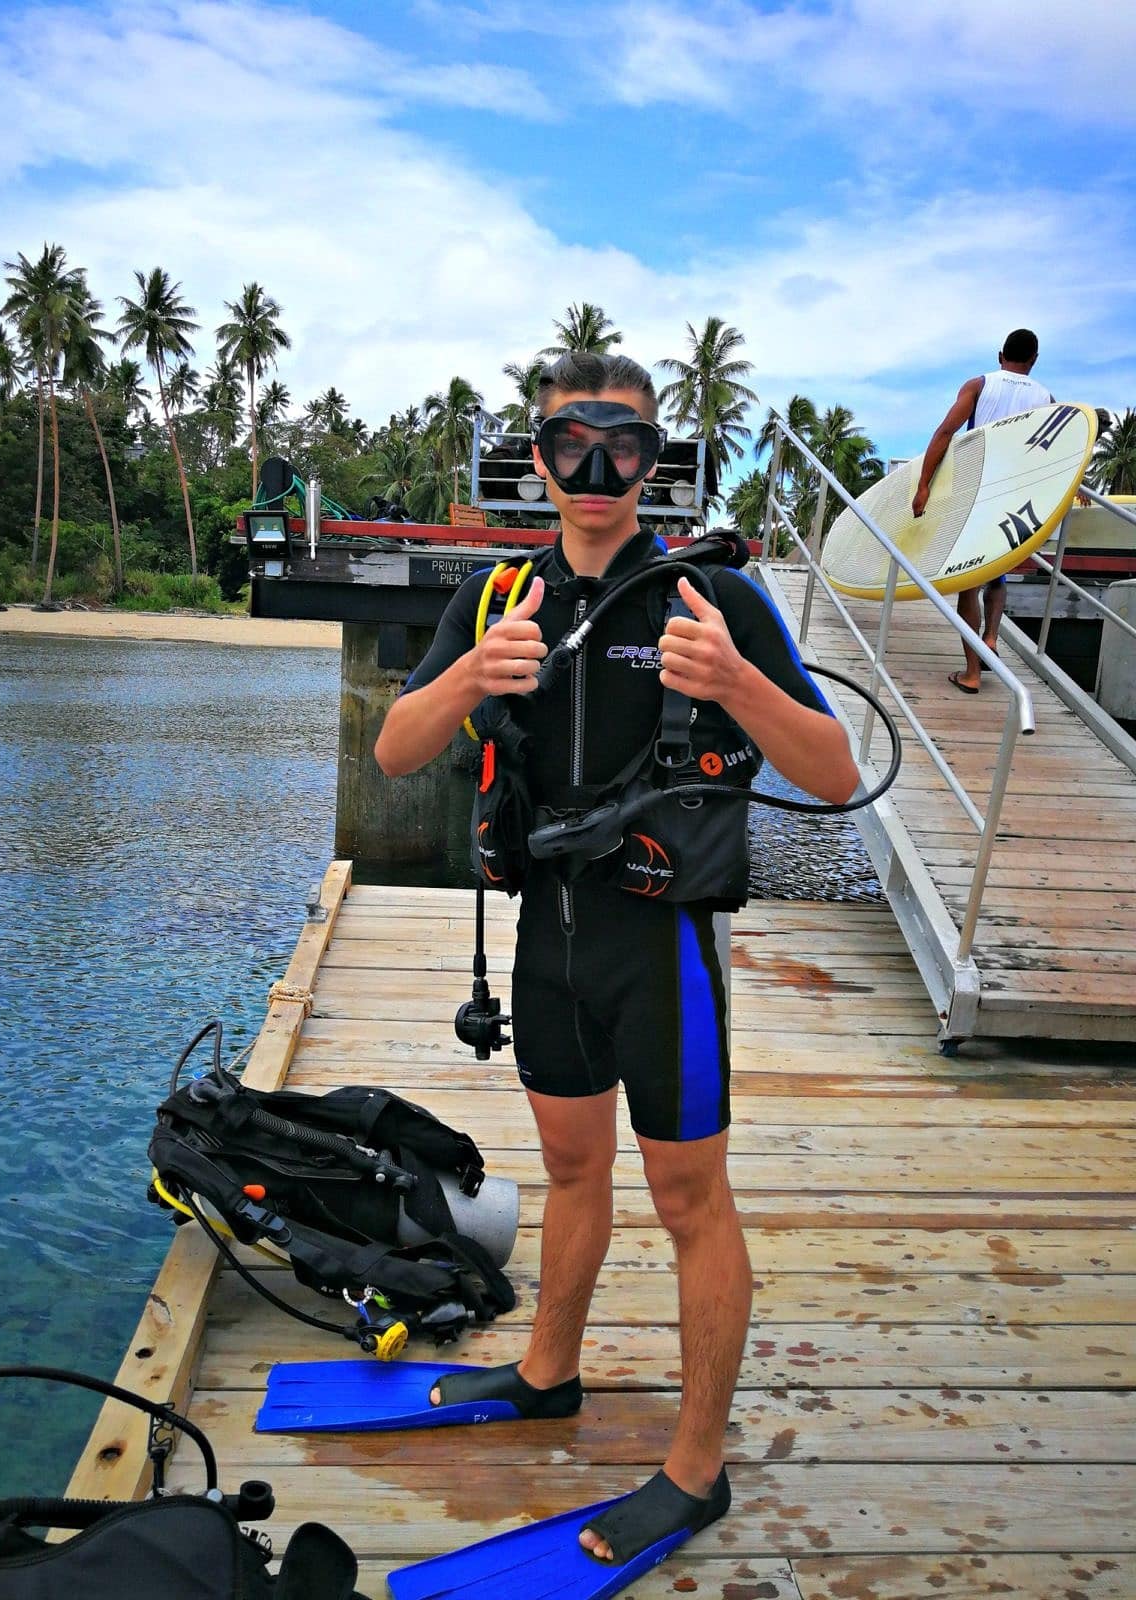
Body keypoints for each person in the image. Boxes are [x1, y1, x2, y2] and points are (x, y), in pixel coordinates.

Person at [375, 352, 859, 1566]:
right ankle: (547, 1373)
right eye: (568, 446)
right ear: (534, 459)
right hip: (550, 938)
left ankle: (695, 1472)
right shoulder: (498, 602)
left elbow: (838, 775)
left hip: (666, 950)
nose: (595, 474)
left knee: (692, 1199)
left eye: (624, 447)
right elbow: (393, 748)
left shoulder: (713, 600)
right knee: (571, 1170)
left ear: (657, 458)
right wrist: (473, 680)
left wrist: (739, 682)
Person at [912, 328, 1053, 694]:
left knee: (969, 584)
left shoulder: (979, 385)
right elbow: (1054, 453)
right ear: (1034, 360)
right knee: (997, 574)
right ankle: (991, 636)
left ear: (1000, 354)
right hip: (1017, 497)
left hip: (979, 491)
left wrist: (924, 485)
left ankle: (972, 672)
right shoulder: (1046, 397)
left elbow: (946, 432)